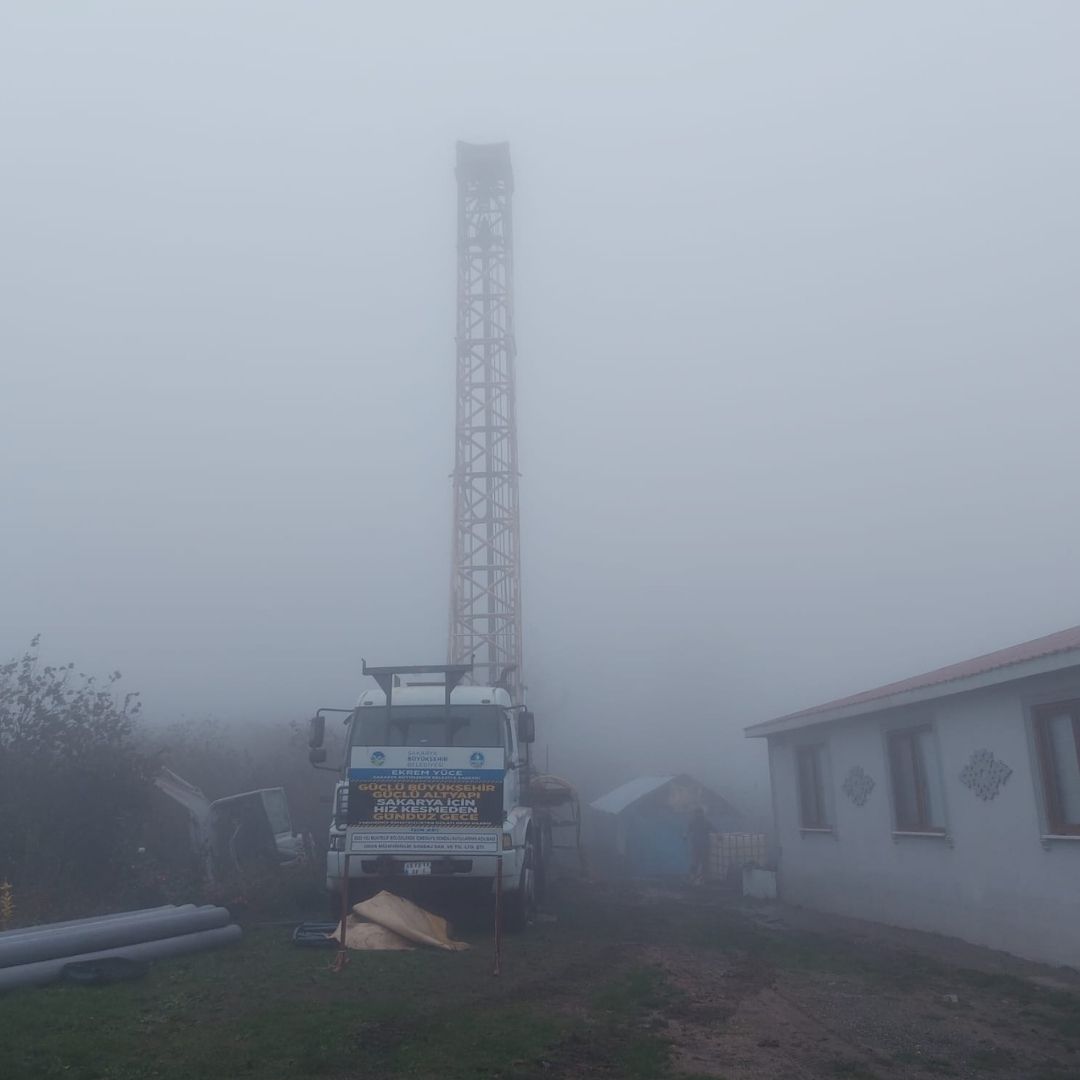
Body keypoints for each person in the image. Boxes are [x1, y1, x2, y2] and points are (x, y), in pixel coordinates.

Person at [686, 806, 715, 885]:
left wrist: (719, 835)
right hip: (696, 845)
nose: (698, 815)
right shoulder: (693, 822)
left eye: (699, 813)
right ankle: (693, 879)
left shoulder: (706, 822)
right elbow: (688, 830)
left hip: (704, 845)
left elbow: (714, 829)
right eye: (696, 813)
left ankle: (703, 879)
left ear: (702, 814)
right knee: (695, 862)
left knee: (704, 862)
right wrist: (685, 836)